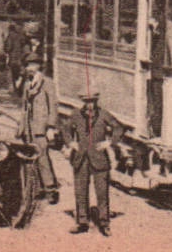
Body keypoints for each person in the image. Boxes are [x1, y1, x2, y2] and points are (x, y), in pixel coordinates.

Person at [64, 91, 121, 236]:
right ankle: (82, 222)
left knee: (102, 193)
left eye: (93, 101)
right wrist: (71, 143)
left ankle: (104, 223)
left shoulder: (104, 114)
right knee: (80, 192)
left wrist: (109, 142)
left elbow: (119, 128)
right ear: (83, 101)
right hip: (80, 159)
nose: (90, 104)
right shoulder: (76, 114)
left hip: (100, 160)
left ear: (96, 101)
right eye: (87, 101)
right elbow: (65, 129)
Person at [20, 57, 60, 204]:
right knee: (32, 157)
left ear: (39, 66)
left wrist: (50, 126)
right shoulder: (27, 84)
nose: (30, 68)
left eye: (33, 65)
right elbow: (24, 107)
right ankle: (39, 188)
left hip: (41, 127)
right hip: (29, 127)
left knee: (42, 156)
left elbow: (53, 106)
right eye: (28, 65)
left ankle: (51, 189)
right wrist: (21, 127)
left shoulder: (47, 83)